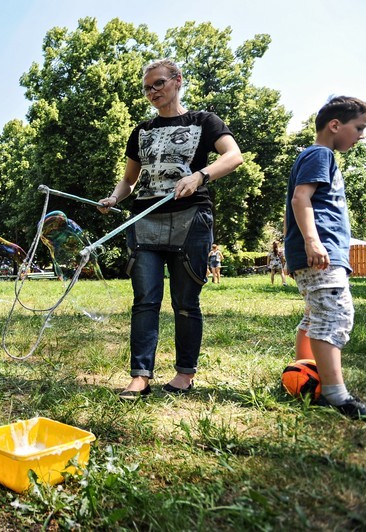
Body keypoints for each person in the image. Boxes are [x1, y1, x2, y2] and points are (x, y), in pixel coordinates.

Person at [98, 59, 243, 399]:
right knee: (145, 301)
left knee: (185, 302)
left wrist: (200, 175)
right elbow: (129, 180)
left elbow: (234, 156)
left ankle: (184, 374)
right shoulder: (141, 131)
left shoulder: (205, 121)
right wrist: (114, 198)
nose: (152, 92)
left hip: (191, 218)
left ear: (178, 81)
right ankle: (140, 376)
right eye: (147, 87)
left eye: (158, 84)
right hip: (145, 219)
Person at [284, 96, 366, 422]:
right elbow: (301, 198)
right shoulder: (320, 154)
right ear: (335, 125)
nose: (362, 135)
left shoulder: (318, 156)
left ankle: (304, 378)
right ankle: (337, 396)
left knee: (315, 317)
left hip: (316, 252)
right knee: (335, 316)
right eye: (359, 127)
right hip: (320, 252)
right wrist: (313, 242)